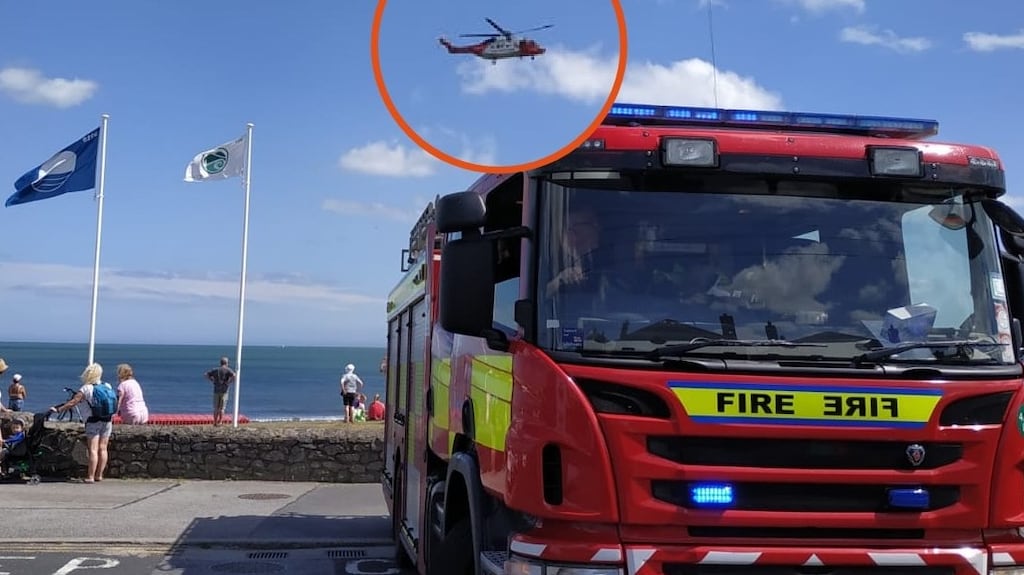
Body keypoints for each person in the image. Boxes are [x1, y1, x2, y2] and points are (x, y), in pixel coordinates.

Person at [49, 363, 114, 483]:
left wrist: (58, 409)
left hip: (93, 421)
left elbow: (73, 402)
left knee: (93, 449)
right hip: (107, 420)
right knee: (103, 448)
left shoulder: (86, 388)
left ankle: (90, 476)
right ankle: (99, 475)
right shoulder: (107, 386)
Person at [205, 357, 236, 427]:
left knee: (216, 408)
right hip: (224, 391)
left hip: (216, 390)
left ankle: (215, 422)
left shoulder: (215, 370)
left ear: (220, 363)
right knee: (222, 408)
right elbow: (234, 375)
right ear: (226, 363)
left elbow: (206, 374)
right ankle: (220, 421)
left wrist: (212, 380)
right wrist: (229, 382)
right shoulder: (228, 370)